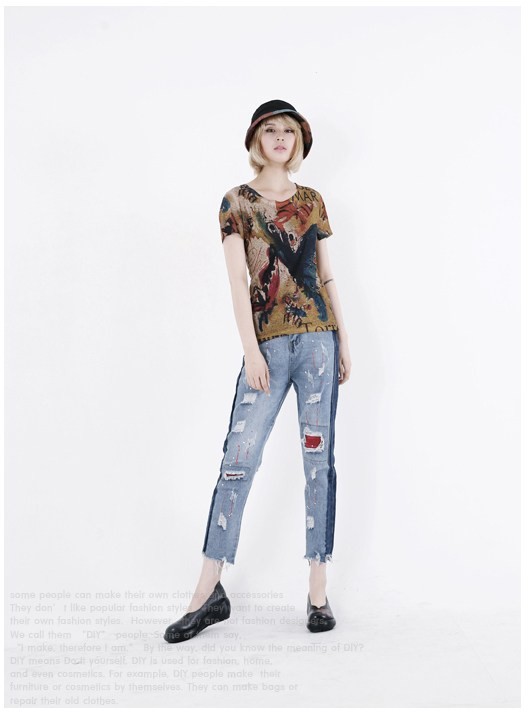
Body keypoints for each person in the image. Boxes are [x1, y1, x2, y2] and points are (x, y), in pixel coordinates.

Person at [164, 99, 351, 643]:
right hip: (267, 345)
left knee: (318, 461)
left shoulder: (312, 201)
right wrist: (250, 350)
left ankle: (317, 590)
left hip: (318, 342)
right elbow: (237, 280)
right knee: (238, 460)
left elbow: (326, 276)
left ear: (299, 142)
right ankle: (207, 591)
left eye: (289, 131)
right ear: (256, 140)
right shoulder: (236, 202)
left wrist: (344, 339)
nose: (280, 138)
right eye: (271, 130)